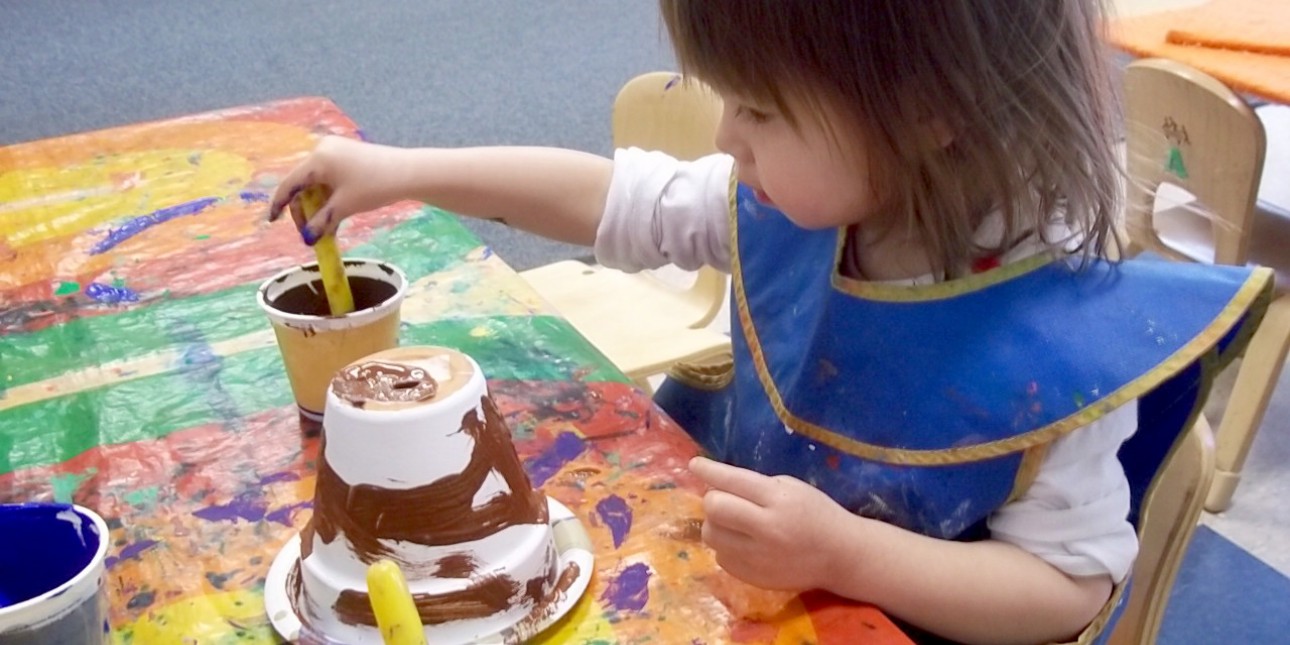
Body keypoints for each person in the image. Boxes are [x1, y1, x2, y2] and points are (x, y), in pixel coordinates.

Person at [268, 1, 1272, 642]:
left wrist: (848, 556)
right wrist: (402, 171)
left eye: (759, 110)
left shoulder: (1056, 328)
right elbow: (607, 198)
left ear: (928, 111)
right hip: (749, 593)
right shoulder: (814, 202)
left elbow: (1068, 589)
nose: (722, 135)